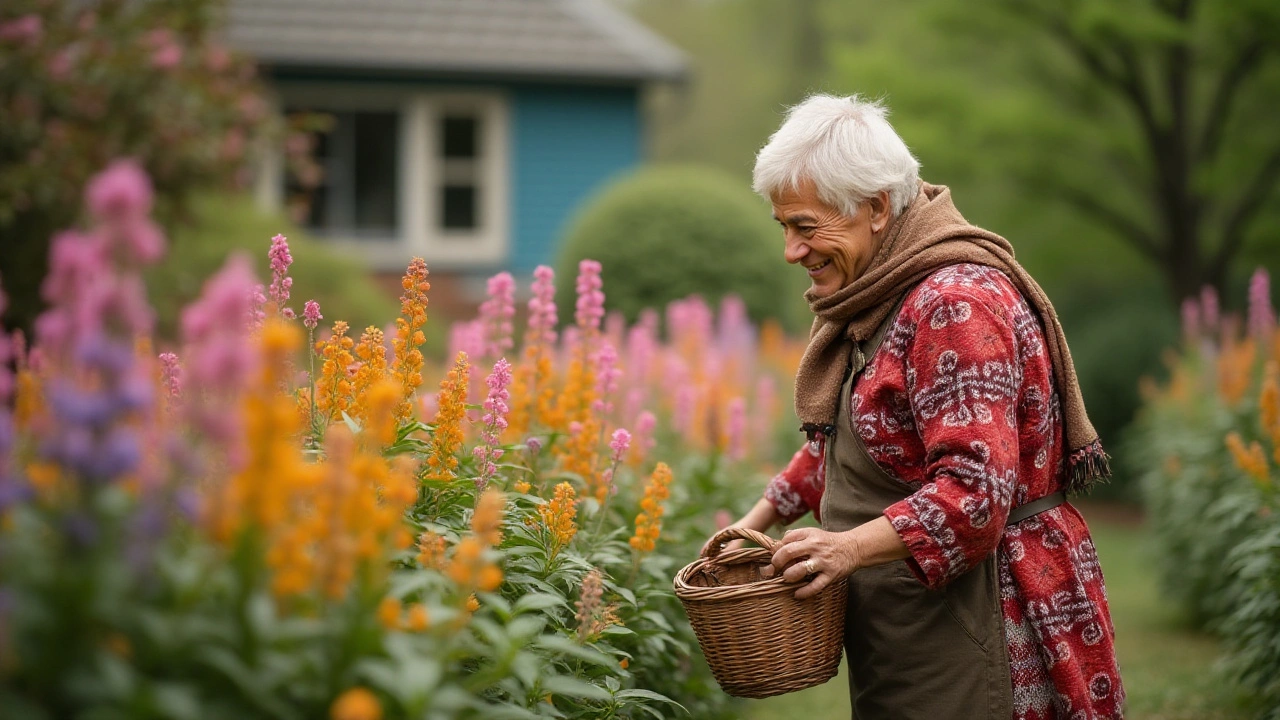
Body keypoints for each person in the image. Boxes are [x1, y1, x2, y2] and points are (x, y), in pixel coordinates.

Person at [711, 94, 1125, 719]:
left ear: (876, 207)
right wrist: (753, 523)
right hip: (913, 617)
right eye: (784, 228)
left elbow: (977, 491)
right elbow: (858, 438)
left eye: (804, 225)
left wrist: (843, 548)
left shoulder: (953, 305)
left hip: (984, 616)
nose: (791, 251)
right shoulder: (885, 292)